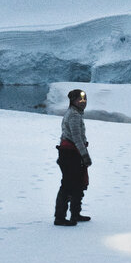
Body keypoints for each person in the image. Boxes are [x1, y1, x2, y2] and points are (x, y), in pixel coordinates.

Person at [55, 89, 92, 226]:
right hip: (70, 154)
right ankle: (60, 217)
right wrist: (85, 156)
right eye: (80, 100)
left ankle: (75, 214)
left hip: (70, 153)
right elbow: (77, 138)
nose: (83, 102)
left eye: (85, 99)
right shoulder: (74, 116)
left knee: (76, 183)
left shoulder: (75, 113)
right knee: (68, 185)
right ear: (73, 101)